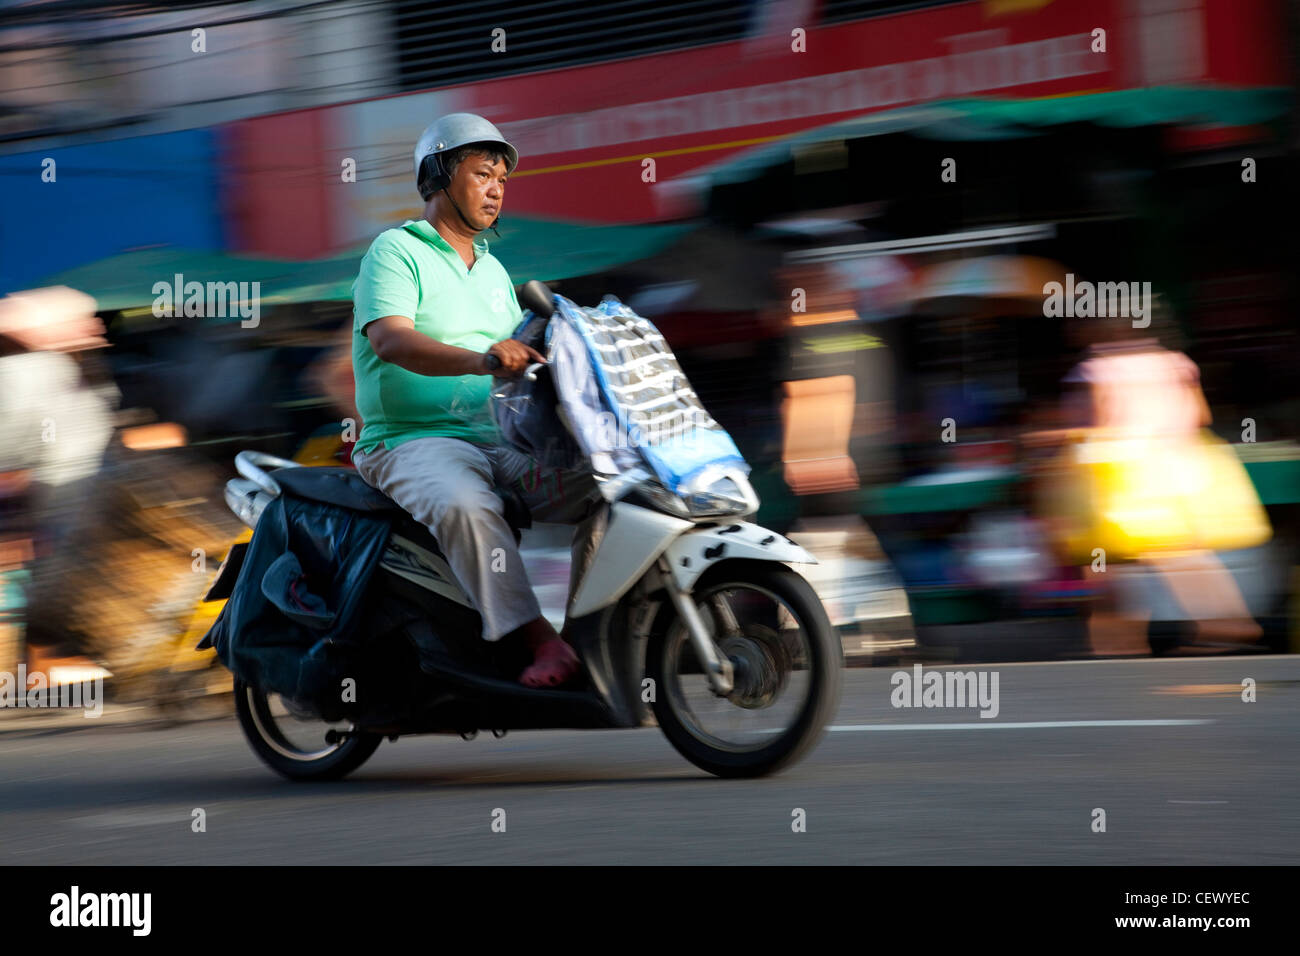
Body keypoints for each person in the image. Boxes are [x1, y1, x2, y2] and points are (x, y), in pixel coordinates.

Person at [349, 113, 606, 688]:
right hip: (411, 442)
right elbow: (391, 339)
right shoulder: (395, 251)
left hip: (497, 439)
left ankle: (589, 630)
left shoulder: (493, 269)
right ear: (439, 175)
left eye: (502, 180)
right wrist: (482, 359)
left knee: (614, 483)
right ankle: (535, 640)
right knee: (466, 504)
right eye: (482, 173)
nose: (496, 189)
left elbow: (519, 354)